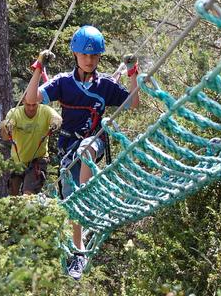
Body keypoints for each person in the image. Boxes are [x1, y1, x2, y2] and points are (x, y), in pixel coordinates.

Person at [24, 25, 140, 280]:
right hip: (67, 149)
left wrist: (132, 73)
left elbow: (132, 103)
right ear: (75, 55)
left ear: (99, 57)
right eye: (84, 55)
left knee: (86, 157)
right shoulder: (64, 82)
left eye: (94, 56)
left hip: (93, 142)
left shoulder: (106, 85)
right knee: (70, 207)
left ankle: (85, 197)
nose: (89, 60)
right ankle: (78, 252)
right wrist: (39, 68)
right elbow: (30, 99)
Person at [0, 100, 62, 196]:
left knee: (28, 194)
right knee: (13, 195)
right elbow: (5, 134)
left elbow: (57, 118)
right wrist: (6, 126)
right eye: (28, 104)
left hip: (38, 159)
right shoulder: (15, 112)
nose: (31, 108)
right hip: (18, 161)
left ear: (39, 102)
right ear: (24, 101)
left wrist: (55, 122)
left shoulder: (45, 110)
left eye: (34, 104)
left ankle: (29, 208)